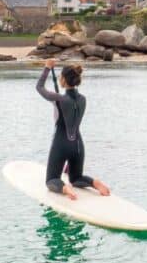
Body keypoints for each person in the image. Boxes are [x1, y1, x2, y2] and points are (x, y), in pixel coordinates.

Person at [36, 59, 111, 200]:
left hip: (61, 145)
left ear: (63, 79)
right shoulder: (83, 99)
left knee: (51, 180)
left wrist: (47, 68)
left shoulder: (59, 99)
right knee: (76, 178)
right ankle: (95, 183)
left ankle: (65, 188)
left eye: (60, 76)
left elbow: (39, 87)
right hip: (77, 145)